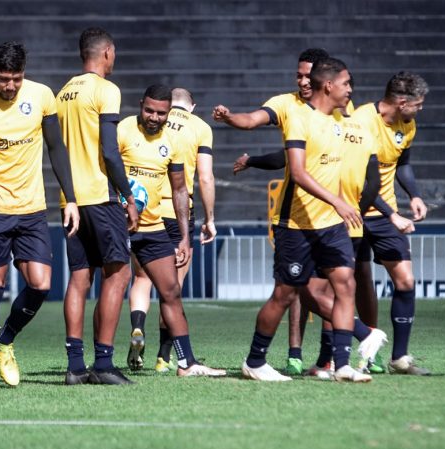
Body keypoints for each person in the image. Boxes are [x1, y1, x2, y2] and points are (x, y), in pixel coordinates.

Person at [240, 57, 372, 382]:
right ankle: (255, 361)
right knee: (285, 295)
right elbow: (297, 172)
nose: (350, 90)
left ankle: (341, 365)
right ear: (328, 85)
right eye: (346, 84)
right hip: (296, 225)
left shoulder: (341, 123)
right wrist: (338, 201)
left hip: (332, 225)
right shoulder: (299, 117)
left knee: (345, 285)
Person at [213, 48, 335, 375]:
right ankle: (260, 359)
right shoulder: (286, 104)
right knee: (288, 292)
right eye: (298, 75)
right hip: (295, 218)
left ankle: (331, 360)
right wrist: (230, 118)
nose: (302, 81)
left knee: (335, 287)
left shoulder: (340, 109)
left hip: (335, 218)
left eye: (308, 76)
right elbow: (253, 121)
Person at [0, 41, 79, 392]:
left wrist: (71, 199)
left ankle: (5, 340)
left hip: (34, 208)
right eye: (5, 78)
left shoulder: (41, 96)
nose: (11, 86)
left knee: (41, 284)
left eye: (17, 78)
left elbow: (56, 147)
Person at [120, 84, 225, 377]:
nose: (154, 116)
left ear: (170, 109)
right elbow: (204, 176)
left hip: (151, 219)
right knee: (151, 289)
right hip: (138, 219)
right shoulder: (125, 129)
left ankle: (174, 354)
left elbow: (179, 185)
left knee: (155, 286)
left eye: (160, 112)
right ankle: (154, 357)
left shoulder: (170, 137)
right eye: (149, 110)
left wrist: (183, 236)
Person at [56, 27, 139, 386]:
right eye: (114, 53)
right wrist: (128, 196)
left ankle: (75, 366)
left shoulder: (63, 93)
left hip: (70, 200)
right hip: (101, 197)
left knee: (78, 278)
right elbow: (109, 151)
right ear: (106, 53)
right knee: (118, 274)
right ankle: (104, 363)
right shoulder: (106, 90)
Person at [352, 71, 430, 375]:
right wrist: (392, 214)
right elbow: (360, 180)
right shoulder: (360, 122)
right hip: (355, 211)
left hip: (386, 216)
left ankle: (400, 357)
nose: (420, 109)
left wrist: (415, 195)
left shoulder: (407, 124)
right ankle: (346, 354)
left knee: (406, 281)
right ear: (401, 102)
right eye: (417, 104)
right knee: (351, 285)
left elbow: (403, 164)